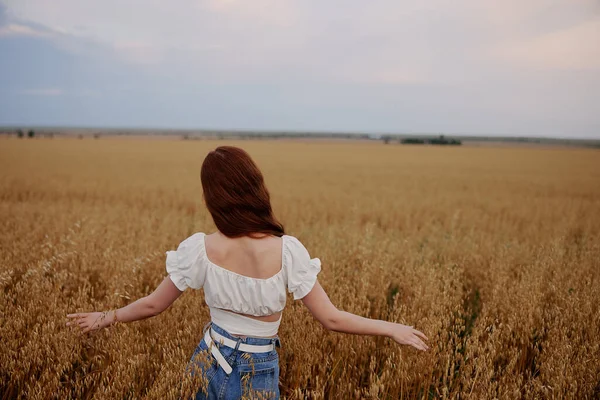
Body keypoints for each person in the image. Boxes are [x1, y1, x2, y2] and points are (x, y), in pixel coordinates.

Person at [67, 146, 429, 399]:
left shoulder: (200, 248)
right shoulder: (288, 251)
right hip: (260, 370)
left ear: (214, 197)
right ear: (255, 188)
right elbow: (331, 319)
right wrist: (391, 328)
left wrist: (106, 317)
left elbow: (152, 306)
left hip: (208, 360)